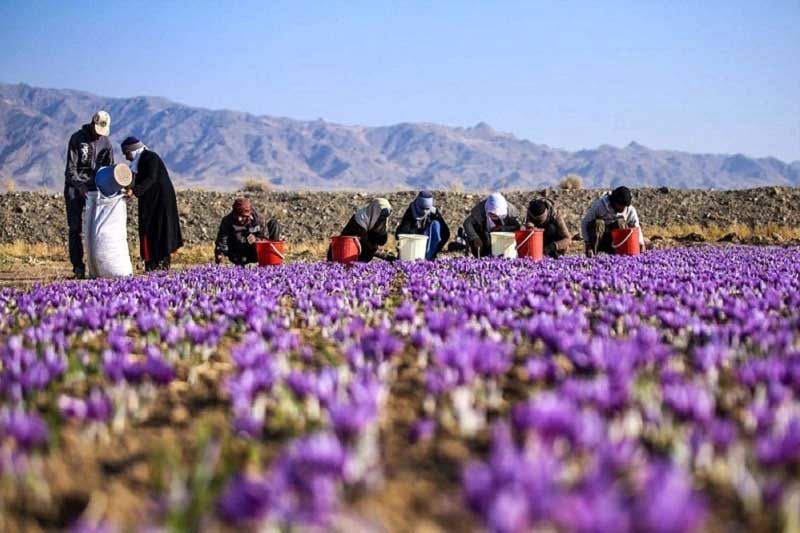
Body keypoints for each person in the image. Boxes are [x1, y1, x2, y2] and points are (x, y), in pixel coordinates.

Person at [64, 111, 114, 279]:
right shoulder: (77, 139)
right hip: (75, 189)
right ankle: (78, 267)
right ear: (93, 123)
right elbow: (70, 170)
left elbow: (109, 169)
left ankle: (98, 266)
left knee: (98, 229)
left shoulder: (106, 143)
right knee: (75, 228)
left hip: (96, 190)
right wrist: (80, 186)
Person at [121, 137, 183, 271]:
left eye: (127, 154)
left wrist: (135, 191)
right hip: (151, 202)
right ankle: (151, 263)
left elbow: (151, 177)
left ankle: (161, 264)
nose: (127, 157)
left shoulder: (150, 158)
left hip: (160, 202)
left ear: (133, 151)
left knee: (160, 232)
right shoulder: (141, 161)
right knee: (150, 231)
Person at [580, 186, 645, 257]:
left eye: (624, 206)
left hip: (616, 242)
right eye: (620, 205)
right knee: (599, 223)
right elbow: (585, 222)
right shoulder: (600, 205)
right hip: (599, 239)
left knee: (620, 222)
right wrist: (587, 244)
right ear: (614, 200)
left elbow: (636, 226)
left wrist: (640, 242)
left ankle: (620, 254)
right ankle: (594, 254)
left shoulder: (629, 209)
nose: (622, 208)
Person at [214, 198, 282, 266]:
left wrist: (256, 240)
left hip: (255, 251)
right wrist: (220, 254)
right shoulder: (227, 221)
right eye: (237, 215)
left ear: (249, 215)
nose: (239, 219)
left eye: (243, 216)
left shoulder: (258, 219)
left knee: (275, 224)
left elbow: (266, 239)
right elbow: (222, 240)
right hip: (236, 253)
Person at [327, 198, 392, 262]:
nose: (384, 217)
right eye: (383, 213)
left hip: (357, 252)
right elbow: (364, 246)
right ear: (375, 210)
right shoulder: (360, 219)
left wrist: (380, 230)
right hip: (343, 254)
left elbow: (382, 240)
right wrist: (384, 256)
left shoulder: (377, 219)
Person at [394, 191, 450, 260]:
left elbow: (446, 233)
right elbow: (400, 234)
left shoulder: (434, 213)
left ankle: (429, 257)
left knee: (436, 224)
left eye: (427, 209)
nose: (424, 211)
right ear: (418, 205)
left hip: (428, 249)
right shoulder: (411, 212)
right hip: (412, 251)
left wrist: (437, 249)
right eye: (422, 208)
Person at [463, 193, 521, 257]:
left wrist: (502, 228)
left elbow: (516, 227)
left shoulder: (510, 211)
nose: (495, 217)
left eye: (497, 216)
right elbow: (467, 223)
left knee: (504, 255)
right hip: (484, 235)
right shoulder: (480, 210)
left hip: (504, 240)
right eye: (492, 215)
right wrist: (475, 238)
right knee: (481, 250)